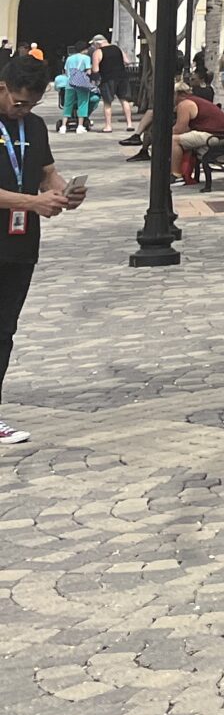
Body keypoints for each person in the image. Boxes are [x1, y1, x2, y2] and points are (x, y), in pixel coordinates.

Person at [0, 53, 89, 445]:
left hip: (19, 244)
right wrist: (30, 203)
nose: (23, 111)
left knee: (4, 331)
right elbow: (27, 195)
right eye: (18, 103)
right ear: (2, 87)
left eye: (32, 104)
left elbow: (46, 173)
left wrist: (64, 192)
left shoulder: (34, 126)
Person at [54, 45, 97, 134]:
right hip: (81, 84)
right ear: (84, 49)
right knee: (82, 103)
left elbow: (66, 72)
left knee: (67, 104)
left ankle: (63, 126)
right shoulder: (86, 58)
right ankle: (80, 126)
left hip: (70, 84)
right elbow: (88, 71)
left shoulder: (69, 58)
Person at [93, 36, 132, 133]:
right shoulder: (117, 48)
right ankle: (129, 124)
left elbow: (95, 69)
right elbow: (127, 61)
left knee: (107, 103)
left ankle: (108, 126)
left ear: (97, 43)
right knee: (124, 100)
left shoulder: (98, 52)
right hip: (122, 77)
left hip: (108, 79)